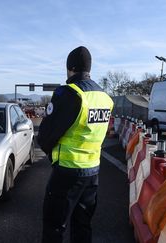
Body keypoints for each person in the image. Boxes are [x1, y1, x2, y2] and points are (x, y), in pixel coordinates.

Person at [38, 46, 113, 243]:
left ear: (70, 68)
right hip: (93, 172)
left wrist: (51, 153)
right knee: (82, 226)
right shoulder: (104, 97)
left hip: (66, 172)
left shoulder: (69, 93)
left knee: (54, 227)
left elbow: (46, 135)